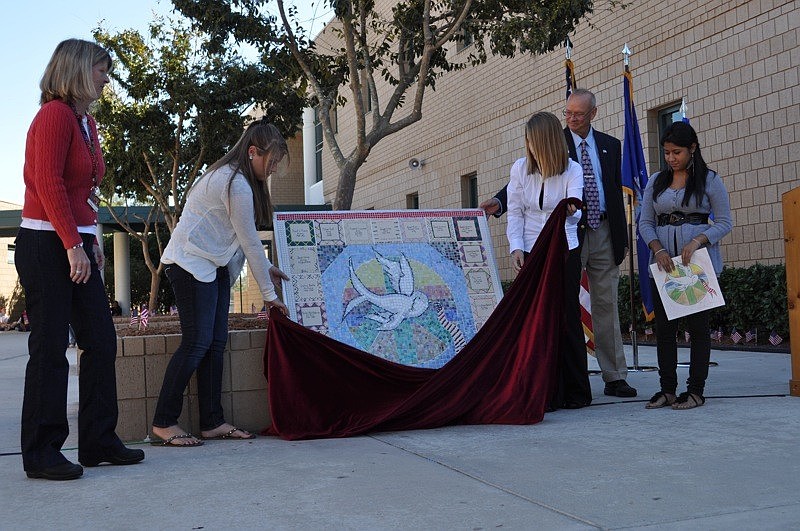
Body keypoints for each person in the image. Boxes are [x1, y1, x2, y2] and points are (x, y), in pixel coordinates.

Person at [16, 39, 144, 481]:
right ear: (75, 70)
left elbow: (83, 190)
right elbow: (47, 182)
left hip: (75, 239)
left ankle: (98, 440)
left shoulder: (86, 121)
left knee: (100, 340)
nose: (107, 78)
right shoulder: (53, 115)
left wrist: (93, 240)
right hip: (45, 243)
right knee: (50, 349)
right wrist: (72, 244)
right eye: (100, 69)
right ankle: (41, 452)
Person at [481, 88, 637, 399]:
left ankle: (615, 375)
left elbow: (615, 191)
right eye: (568, 113)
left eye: (579, 113)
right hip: (567, 235)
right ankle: (555, 377)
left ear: (593, 113)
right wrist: (500, 203)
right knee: (563, 309)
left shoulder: (610, 145)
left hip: (603, 229)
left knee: (605, 304)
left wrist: (623, 237)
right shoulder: (553, 138)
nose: (573, 118)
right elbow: (524, 181)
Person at [151, 119, 290, 446]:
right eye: (270, 162)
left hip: (211, 266)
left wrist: (267, 268)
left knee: (214, 343)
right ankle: (163, 422)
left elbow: (245, 242)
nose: (271, 170)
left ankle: (212, 421)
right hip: (187, 263)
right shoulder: (234, 183)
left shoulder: (240, 179)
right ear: (253, 152)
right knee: (197, 342)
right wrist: (269, 297)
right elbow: (250, 240)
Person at [639, 121, 732, 410]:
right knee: (665, 330)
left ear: (692, 149)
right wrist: (657, 248)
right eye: (666, 153)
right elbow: (645, 222)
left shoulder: (710, 180)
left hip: (697, 265)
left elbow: (725, 222)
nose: (670, 158)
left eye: (676, 152)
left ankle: (695, 391)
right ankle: (667, 389)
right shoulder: (655, 181)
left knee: (698, 329)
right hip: (665, 266)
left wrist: (699, 240)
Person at [506, 111, 590, 409]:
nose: (527, 145)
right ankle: (542, 389)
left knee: (566, 316)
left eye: (530, 139)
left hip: (564, 248)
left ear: (543, 141)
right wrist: (516, 247)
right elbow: (515, 211)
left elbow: (578, 209)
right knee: (535, 317)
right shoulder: (519, 169)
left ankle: (575, 391)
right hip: (530, 250)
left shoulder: (573, 170)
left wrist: (570, 210)